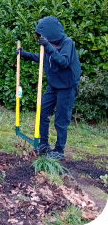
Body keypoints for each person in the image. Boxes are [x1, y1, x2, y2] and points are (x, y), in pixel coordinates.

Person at [17, 16, 81, 160]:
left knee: (61, 119)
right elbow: (43, 58)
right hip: (53, 86)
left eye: (42, 36)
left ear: (51, 34)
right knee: (42, 112)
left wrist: (48, 47)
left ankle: (59, 150)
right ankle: (44, 144)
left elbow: (63, 62)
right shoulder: (49, 47)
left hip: (67, 86)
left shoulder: (67, 43)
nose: (40, 39)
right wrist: (24, 54)